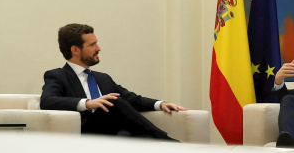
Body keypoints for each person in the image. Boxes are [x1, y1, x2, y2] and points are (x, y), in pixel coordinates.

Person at [40, 23, 187, 140]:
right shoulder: (57, 75)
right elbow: (47, 101)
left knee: (141, 138)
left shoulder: (103, 78)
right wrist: (88, 103)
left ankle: (162, 143)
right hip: (87, 133)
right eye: (92, 45)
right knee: (114, 100)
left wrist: (160, 104)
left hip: (114, 132)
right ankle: (169, 143)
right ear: (75, 50)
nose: (99, 48)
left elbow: (131, 99)